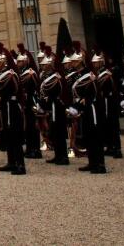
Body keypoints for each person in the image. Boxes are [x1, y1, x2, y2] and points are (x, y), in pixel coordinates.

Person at [68, 43, 107, 174]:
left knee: (96, 136)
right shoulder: (77, 75)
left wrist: (78, 106)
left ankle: (100, 164)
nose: (71, 63)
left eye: (74, 61)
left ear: (79, 62)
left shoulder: (89, 75)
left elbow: (90, 95)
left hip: (93, 109)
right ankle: (92, 162)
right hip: (85, 109)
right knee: (88, 136)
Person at [0, 43, 25, 175]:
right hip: (5, 107)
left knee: (15, 136)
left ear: (4, 63)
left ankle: (20, 164)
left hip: (12, 107)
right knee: (8, 136)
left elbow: (6, 91)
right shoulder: (1, 75)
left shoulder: (10, 75)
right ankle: (11, 162)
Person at [37, 44, 70, 165]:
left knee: (59, 132)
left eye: (45, 65)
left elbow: (52, 93)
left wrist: (44, 102)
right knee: (54, 132)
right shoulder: (48, 76)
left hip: (57, 107)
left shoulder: (55, 77)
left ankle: (63, 157)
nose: (43, 66)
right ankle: (58, 154)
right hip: (52, 107)